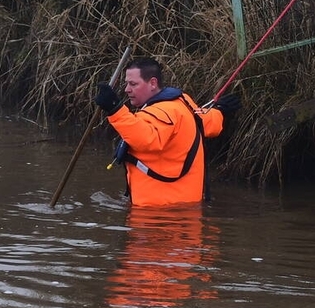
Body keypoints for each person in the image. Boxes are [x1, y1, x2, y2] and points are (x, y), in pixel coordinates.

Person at [93, 57, 237, 207]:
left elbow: (147, 138)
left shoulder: (162, 112)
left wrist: (114, 109)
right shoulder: (181, 101)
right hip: (186, 209)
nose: (127, 89)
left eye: (133, 84)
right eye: (127, 84)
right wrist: (219, 111)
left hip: (160, 216)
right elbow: (203, 122)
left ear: (153, 83)